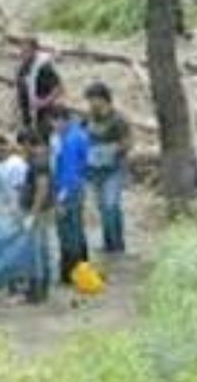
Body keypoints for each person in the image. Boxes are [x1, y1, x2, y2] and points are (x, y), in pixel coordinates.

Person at [84, 82, 131, 254]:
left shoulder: (118, 119)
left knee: (111, 206)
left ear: (104, 99)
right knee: (102, 208)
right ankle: (108, 243)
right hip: (94, 170)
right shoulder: (89, 118)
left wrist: (109, 150)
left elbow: (128, 143)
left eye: (94, 100)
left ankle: (118, 244)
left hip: (113, 169)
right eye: (89, 101)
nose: (92, 104)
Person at [49, 106, 90, 284]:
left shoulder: (71, 140)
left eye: (56, 121)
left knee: (68, 232)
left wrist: (59, 198)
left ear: (64, 120)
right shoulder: (76, 135)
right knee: (77, 230)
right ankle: (82, 268)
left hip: (68, 190)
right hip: (77, 187)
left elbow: (69, 171)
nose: (54, 125)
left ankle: (71, 272)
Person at [19, 131, 53, 302]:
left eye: (22, 146)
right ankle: (43, 287)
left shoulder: (39, 161)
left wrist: (32, 214)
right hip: (41, 209)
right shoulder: (39, 158)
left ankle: (37, 289)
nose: (21, 150)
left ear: (27, 144)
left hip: (38, 211)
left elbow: (42, 189)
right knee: (42, 248)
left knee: (36, 250)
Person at [15, 38, 63, 141]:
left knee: (44, 139)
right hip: (28, 115)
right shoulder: (22, 69)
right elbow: (21, 92)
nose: (23, 54)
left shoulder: (44, 67)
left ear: (34, 51)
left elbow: (58, 88)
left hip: (45, 113)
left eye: (26, 51)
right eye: (22, 51)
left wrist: (44, 102)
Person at [0, 131, 31, 216]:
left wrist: (13, 208)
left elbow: (19, 189)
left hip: (16, 207)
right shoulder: (8, 163)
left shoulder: (15, 163)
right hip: (13, 205)